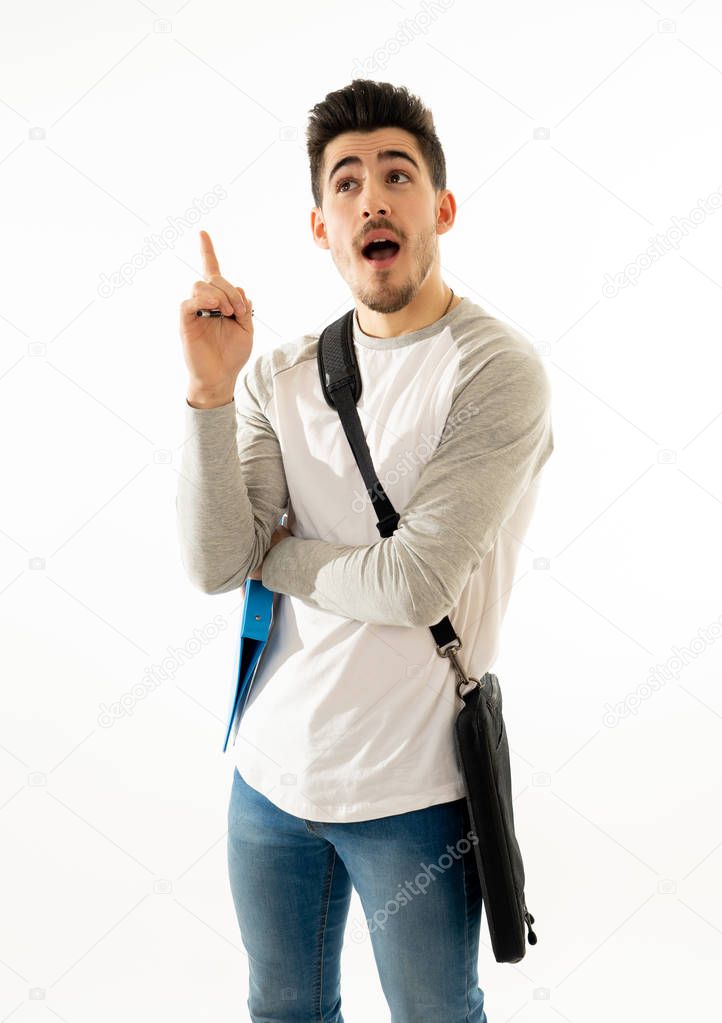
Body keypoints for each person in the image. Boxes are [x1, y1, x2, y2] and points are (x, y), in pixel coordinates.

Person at [176, 78, 554, 1023]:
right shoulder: (280, 374)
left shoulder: (496, 370)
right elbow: (217, 560)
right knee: (284, 1007)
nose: (372, 198)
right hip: (268, 779)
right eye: (346, 183)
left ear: (443, 207)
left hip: (414, 796)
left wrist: (283, 557)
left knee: (436, 1013)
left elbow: (411, 579)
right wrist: (209, 395)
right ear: (321, 226)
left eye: (397, 175)